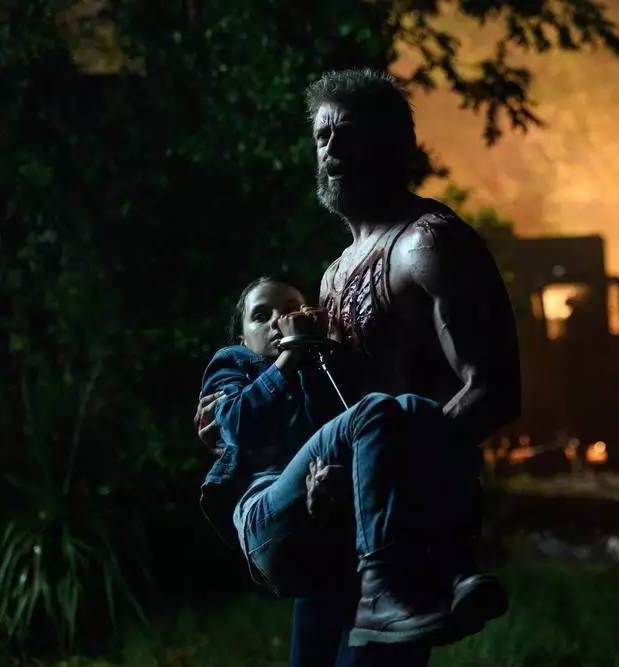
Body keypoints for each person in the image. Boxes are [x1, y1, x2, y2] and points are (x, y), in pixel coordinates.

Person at [196, 67, 521, 665]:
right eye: (322, 136)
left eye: (349, 134)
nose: (331, 149)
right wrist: (241, 429)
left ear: (392, 147)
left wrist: (388, 473)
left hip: (403, 535)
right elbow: (328, 412)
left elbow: (493, 391)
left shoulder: (428, 244)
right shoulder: (332, 276)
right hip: (331, 530)